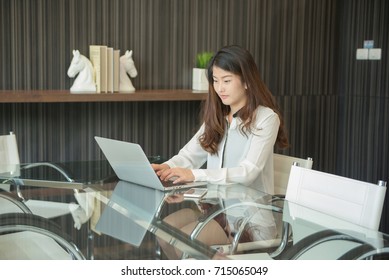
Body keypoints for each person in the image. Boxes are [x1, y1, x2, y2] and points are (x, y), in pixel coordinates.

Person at [152, 45, 288, 259]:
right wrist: (167, 167)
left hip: (249, 222)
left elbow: (248, 171)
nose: (219, 88)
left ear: (246, 80)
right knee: (163, 231)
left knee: (184, 242)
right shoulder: (217, 118)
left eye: (226, 80)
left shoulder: (266, 118)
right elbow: (189, 155)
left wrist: (193, 175)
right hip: (216, 213)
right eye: (215, 81)